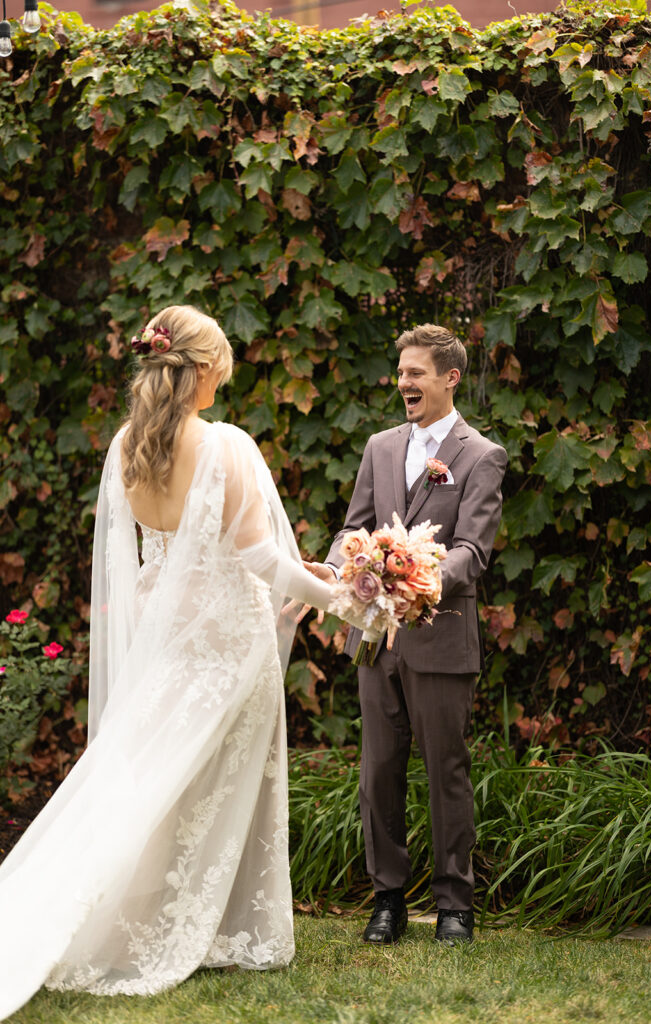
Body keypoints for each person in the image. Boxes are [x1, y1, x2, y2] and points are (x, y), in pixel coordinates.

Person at [0, 305, 366, 1019]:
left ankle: (151, 915)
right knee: (225, 779)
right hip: (229, 637)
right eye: (221, 368)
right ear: (201, 370)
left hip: (166, 638)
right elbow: (260, 559)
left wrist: (316, 578)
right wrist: (346, 601)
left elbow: (149, 555)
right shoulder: (226, 444)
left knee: (154, 778)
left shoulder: (126, 445)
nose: (222, 381)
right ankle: (220, 927)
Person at [306, 324, 507, 945]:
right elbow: (354, 527)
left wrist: (415, 578)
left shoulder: (482, 455)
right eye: (400, 373)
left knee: (446, 770)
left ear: (450, 378)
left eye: (415, 373)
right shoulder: (380, 447)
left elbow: (473, 550)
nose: (403, 383)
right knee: (379, 771)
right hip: (373, 638)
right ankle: (387, 899)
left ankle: (454, 906)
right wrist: (337, 567)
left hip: (440, 638)